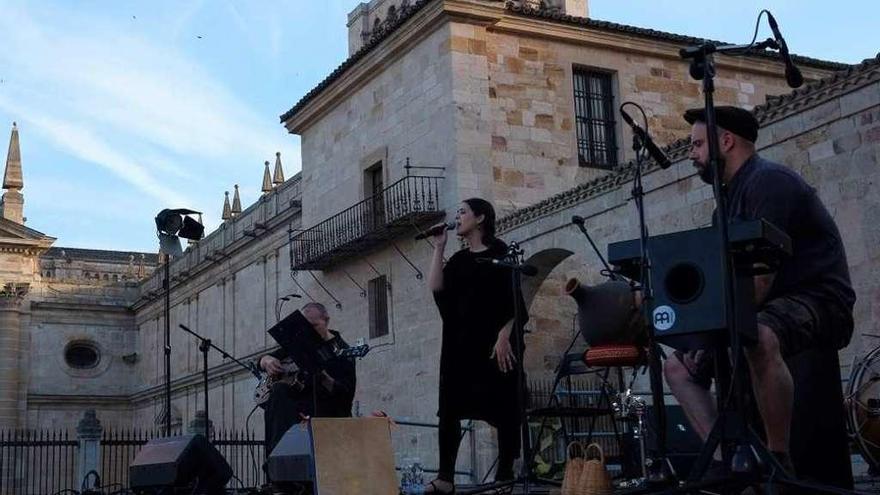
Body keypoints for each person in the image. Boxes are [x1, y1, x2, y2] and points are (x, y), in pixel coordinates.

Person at [663, 106, 856, 483]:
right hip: (761, 306)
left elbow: (761, 280)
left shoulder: (770, 183)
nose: (692, 154)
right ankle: (730, 460)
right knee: (677, 367)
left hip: (817, 298)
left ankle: (777, 458)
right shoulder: (726, 204)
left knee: (759, 337)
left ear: (727, 141)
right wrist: (701, 335)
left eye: (698, 144)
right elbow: (724, 280)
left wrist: (718, 330)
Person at [424, 198, 527, 494]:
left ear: (480, 218)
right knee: (450, 409)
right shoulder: (458, 260)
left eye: (463, 212)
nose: (458, 217)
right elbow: (436, 287)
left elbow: (516, 301)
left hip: (496, 345)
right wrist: (439, 247)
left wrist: (505, 335)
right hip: (460, 345)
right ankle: (445, 478)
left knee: (506, 407)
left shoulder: (501, 253)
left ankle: (504, 474)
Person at [258, 302, 357, 455]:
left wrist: (323, 377)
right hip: (293, 414)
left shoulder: (342, 350)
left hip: (326, 417)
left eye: (315, 326)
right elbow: (263, 361)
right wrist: (266, 360)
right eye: (307, 327)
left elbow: (346, 394)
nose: (311, 332)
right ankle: (276, 458)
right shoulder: (299, 343)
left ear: (326, 320)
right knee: (278, 391)